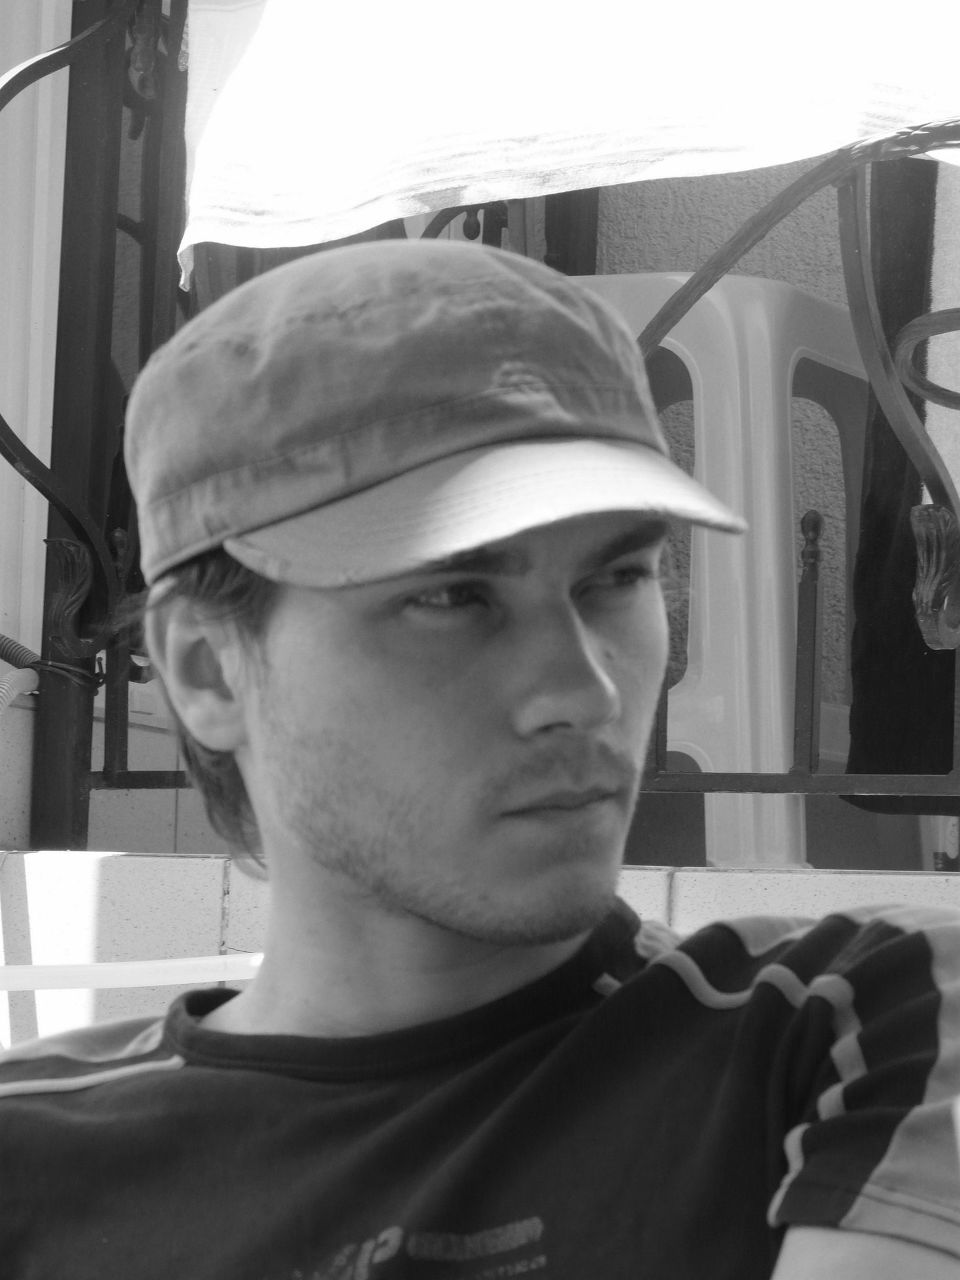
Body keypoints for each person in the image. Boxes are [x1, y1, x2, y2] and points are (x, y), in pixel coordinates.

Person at [1, 239, 958, 1280]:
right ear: (207, 669)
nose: (586, 691)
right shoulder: (34, 1155)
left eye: (617, 578)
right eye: (453, 597)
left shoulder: (855, 1024)